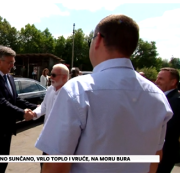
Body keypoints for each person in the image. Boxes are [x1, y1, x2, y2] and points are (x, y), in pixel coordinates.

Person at [35, 14, 173, 173]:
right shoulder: (158, 96)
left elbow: (55, 164)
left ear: (98, 39)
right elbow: (155, 158)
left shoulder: (77, 90)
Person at [0, 47, 37, 173]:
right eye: (9, 62)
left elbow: (15, 99)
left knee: (3, 163)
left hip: (6, 130)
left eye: (13, 62)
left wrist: (36, 108)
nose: (12, 65)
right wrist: (22, 113)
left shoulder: (9, 78)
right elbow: (1, 103)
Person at [32, 64, 69, 169]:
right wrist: (34, 114)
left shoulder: (71, 94)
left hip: (61, 142)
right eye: (50, 75)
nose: (50, 77)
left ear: (64, 77)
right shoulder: (50, 90)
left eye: (53, 75)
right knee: (44, 166)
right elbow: (43, 106)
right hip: (48, 137)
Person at [155, 67, 180, 173]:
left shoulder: (176, 101)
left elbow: (167, 128)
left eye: (161, 79)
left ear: (173, 82)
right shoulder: (160, 96)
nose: (156, 82)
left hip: (166, 151)